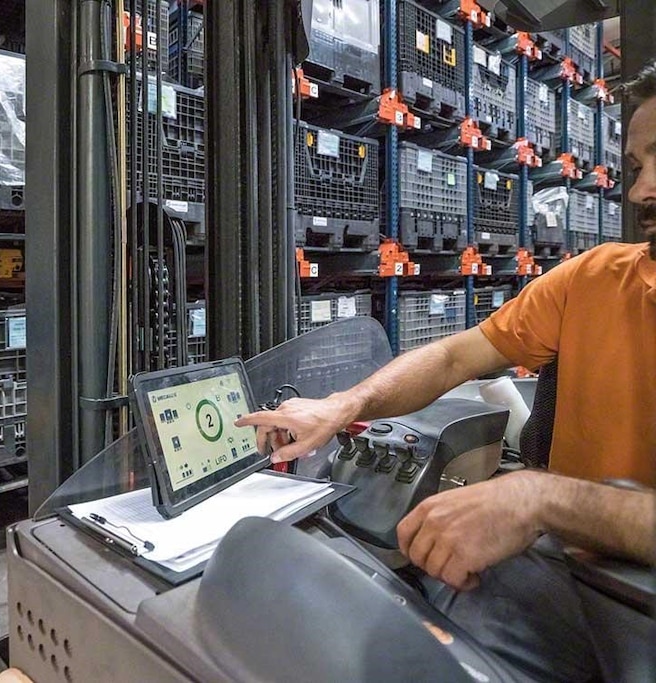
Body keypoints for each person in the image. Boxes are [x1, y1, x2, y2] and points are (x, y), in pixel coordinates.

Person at [236, 62, 656, 682]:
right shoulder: (594, 278)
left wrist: (540, 497)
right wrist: (342, 406)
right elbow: (455, 356)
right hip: (575, 573)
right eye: (638, 167)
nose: (641, 191)